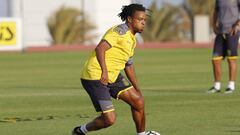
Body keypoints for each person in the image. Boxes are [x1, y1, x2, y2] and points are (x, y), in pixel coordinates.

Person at [72, 4, 147, 135]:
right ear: (129, 19)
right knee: (109, 119)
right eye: (140, 19)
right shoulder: (119, 32)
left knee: (138, 101)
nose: (143, 22)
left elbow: (128, 65)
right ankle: (80, 131)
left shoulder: (132, 38)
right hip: (95, 76)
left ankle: (141, 134)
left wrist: (137, 89)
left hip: (113, 76)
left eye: (144, 20)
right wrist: (104, 73)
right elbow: (100, 48)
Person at [208, 0, 240, 94]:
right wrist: (214, 24)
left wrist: (238, 24)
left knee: (231, 59)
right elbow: (216, 11)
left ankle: (231, 86)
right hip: (220, 32)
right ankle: (216, 86)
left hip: (232, 32)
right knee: (215, 59)